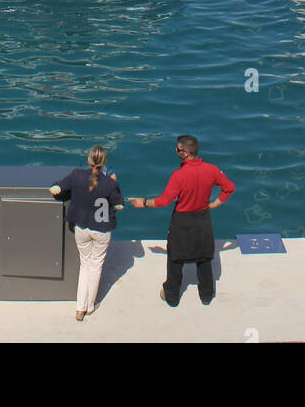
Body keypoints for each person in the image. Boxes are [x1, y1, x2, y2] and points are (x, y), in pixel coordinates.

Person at [129, 135, 234, 307]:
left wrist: (144, 203)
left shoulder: (179, 175)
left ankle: (171, 297)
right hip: (203, 220)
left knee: (175, 260)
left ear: (185, 153)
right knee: (204, 258)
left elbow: (164, 201)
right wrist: (214, 204)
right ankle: (206, 296)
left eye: (178, 150)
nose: (176, 151)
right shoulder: (212, 170)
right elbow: (229, 188)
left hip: (182, 222)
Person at [49, 145, 124, 320]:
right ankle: (90, 306)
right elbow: (119, 204)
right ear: (104, 163)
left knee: (85, 265)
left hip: (82, 227)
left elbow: (57, 187)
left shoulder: (76, 175)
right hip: (102, 230)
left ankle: (79, 308)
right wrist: (115, 182)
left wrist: (56, 189)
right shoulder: (110, 183)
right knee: (95, 266)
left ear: (89, 160)